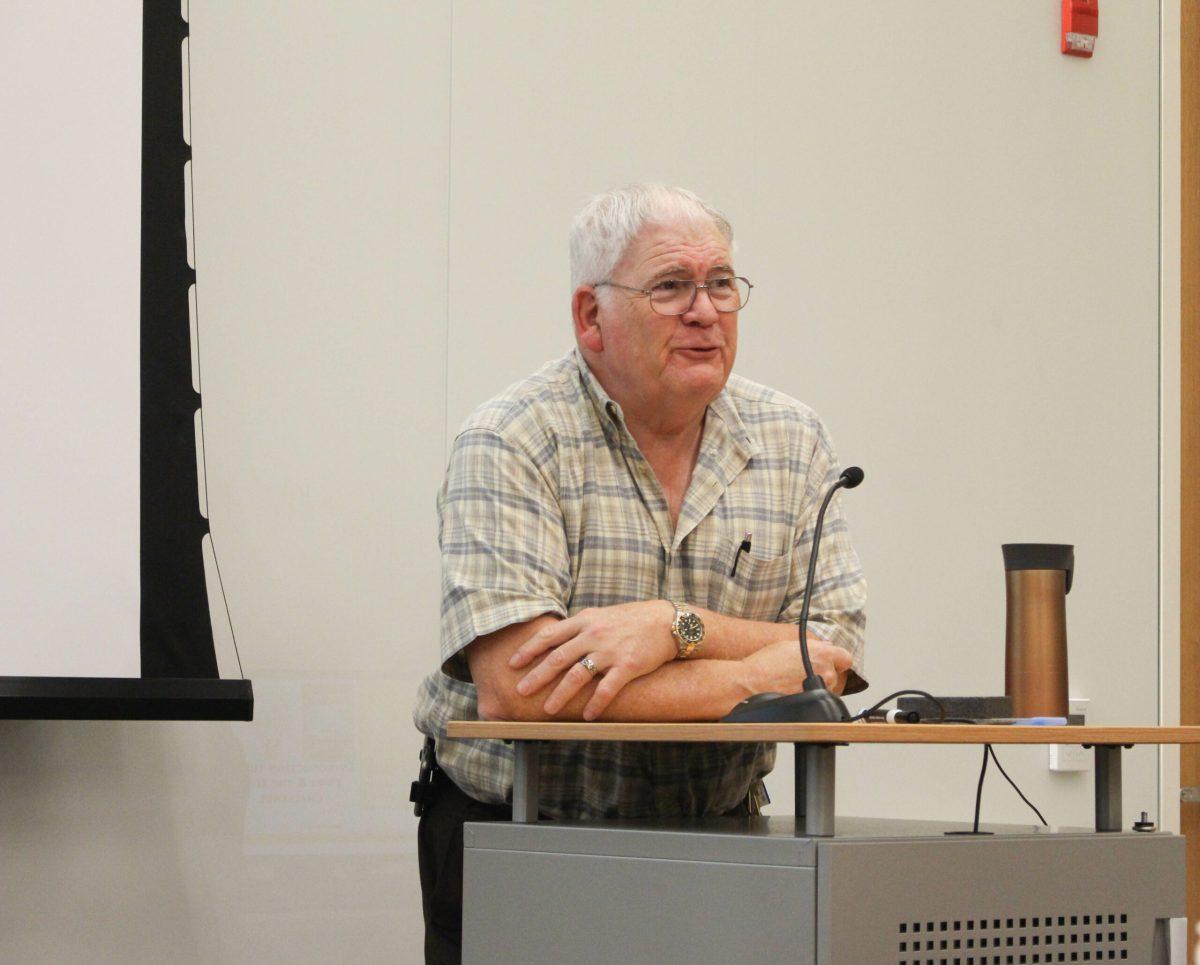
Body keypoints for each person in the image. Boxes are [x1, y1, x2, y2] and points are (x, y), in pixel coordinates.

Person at [412, 184, 866, 962]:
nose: (705, 311)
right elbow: (520, 691)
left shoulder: (794, 440)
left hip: (726, 840)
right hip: (525, 834)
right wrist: (751, 672)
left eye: (721, 283)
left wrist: (673, 628)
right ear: (592, 317)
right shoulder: (511, 439)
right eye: (670, 287)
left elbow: (832, 654)